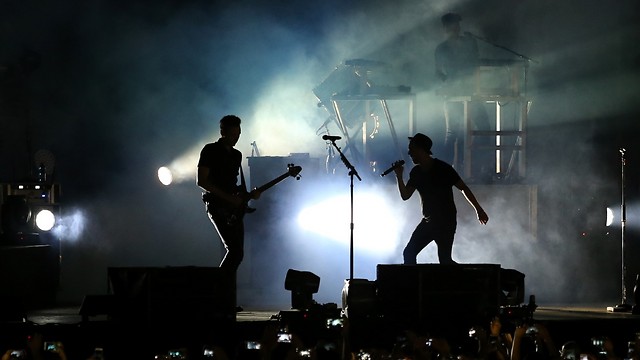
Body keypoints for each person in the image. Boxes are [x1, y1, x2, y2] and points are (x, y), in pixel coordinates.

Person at [393, 133, 488, 264]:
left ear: (421, 149)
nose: (409, 153)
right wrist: (399, 176)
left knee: (444, 260)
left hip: (445, 222)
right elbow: (405, 195)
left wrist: (479, 210)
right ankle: (413, 283)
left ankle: (466, 279)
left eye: (412, 149)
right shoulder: (416, 172)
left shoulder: (443, 169)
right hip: (428, 221)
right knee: (409, 253)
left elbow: (463, 188)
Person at [196, 115, 260, 272]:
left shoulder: (237, 155)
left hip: (233, 208)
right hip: (217, 205)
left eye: (238, 135)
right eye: (232, 135)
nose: (235, 138)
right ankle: (219, 288)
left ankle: (223, 289)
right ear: (222, 132)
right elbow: (202, 181)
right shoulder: (210, 150)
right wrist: (229, 198)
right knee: (235, 252)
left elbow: (233, 184)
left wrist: (248, 194)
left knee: (237, 253)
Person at [434, 12, 491, 179]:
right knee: (453, 133)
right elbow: (438, 73)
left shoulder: (469, 43)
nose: (457, 28)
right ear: (446, 28)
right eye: (453, 25)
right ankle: (443, 172)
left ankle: (482, 168)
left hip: (470, 94)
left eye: (458, 24)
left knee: (484, 129)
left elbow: (476, 64)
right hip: (452, 96)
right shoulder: (442, 48)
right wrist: (447, 83)